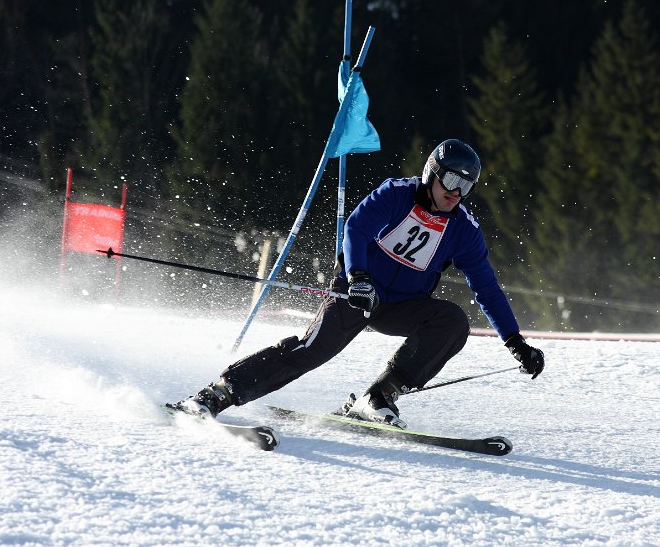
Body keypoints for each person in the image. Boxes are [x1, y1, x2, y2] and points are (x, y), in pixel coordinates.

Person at [169, 139, 545, 429]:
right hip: (357, 292)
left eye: (466, 185)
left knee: (452, 322)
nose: (455, 192)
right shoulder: (397, 194)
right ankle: (216, 395)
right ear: (432, 173)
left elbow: (487, 288)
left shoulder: (464, 230)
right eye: (449, 179)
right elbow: (356, 228)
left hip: (402, 306)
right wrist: (358, 278)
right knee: (311, 350)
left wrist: (515, 342)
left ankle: (379, 397)